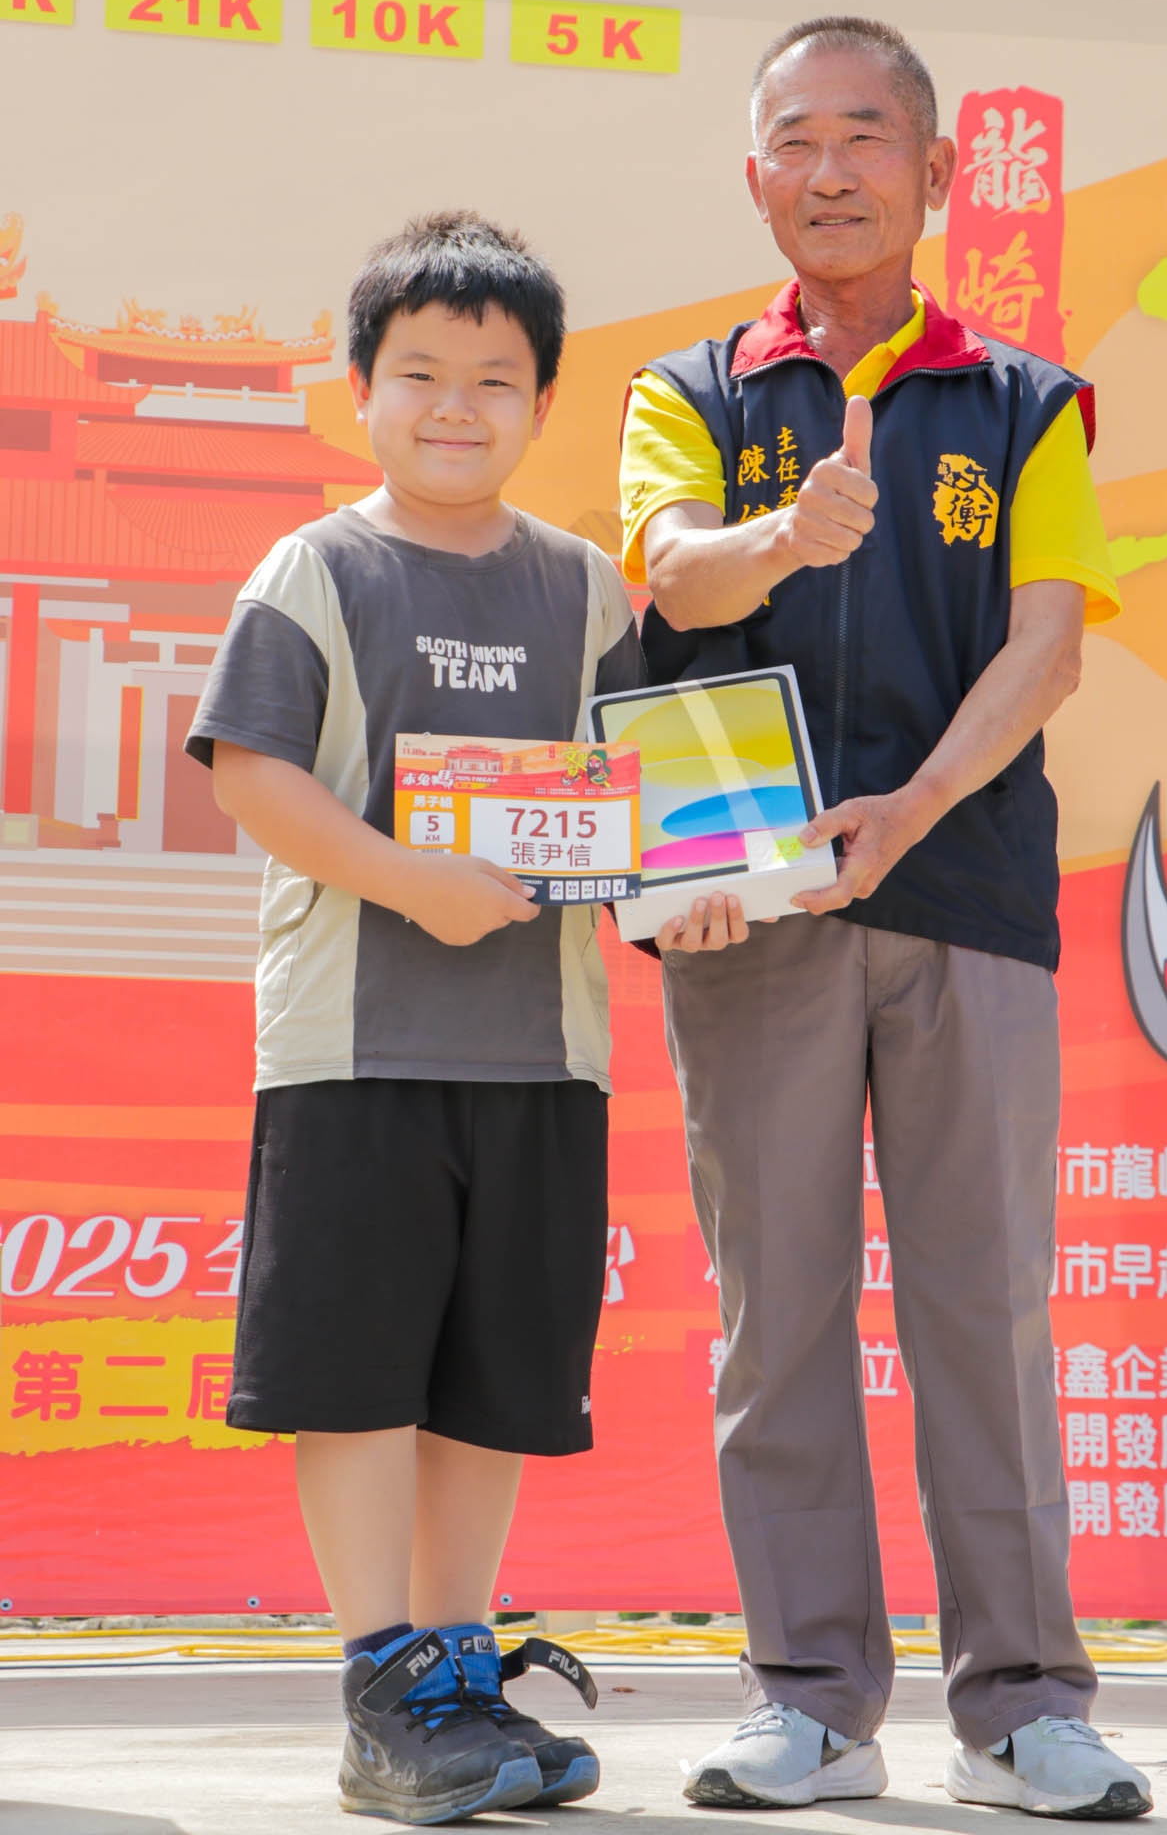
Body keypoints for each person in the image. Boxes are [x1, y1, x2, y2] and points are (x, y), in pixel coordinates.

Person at [621, 17, 1154, 1820]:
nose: (828, 169)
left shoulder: (1022, 402)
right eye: (794, 138)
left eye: (864, 136)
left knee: (981, 1313)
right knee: (774, 1314)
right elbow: (668, 569)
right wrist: (786, 538)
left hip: (965, 894)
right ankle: (808, 1703)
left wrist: (913, 807)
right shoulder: (690, 390)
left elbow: (1048, 644)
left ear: (932, 175)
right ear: (751, 176)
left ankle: (1021, 1711)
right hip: (745, 907)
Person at [186, 211, 644, 1825]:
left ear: (542, 404)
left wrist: (702, 885)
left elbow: (641, 802)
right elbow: (252, 773)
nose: (457, 407)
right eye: (422, 374)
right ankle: (382, 1688)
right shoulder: (315, 569)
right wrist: (408, 881)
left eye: (495, 380)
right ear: (361, 391)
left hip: (544, 1056)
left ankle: (456, 1670)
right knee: (359, 1372)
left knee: (494, 1378)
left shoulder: (587, 587)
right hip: (354, 1051)